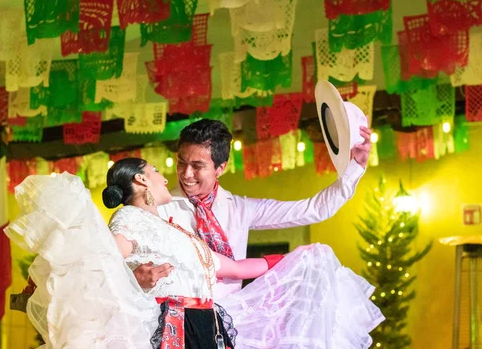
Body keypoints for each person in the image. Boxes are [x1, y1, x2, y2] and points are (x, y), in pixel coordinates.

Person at [5, 159, 390, 349]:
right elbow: (103, 260)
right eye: (156, 171)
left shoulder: (178, 230)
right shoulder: (128, 219)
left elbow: (236, 268)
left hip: (207, 331)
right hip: (174, 331)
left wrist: (296, 259)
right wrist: (133, 276)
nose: (164, 176)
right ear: (140, 182)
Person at [132, 119, 372, 297]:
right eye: (182, 163)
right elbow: (125, 264)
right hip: (175, 329)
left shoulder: (240, 209)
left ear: (221, 168)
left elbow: (314, 209)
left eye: (197, 166)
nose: (186, 174)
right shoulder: (157, 209)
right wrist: (136, 276)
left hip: (232, 326)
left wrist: (356, 167)